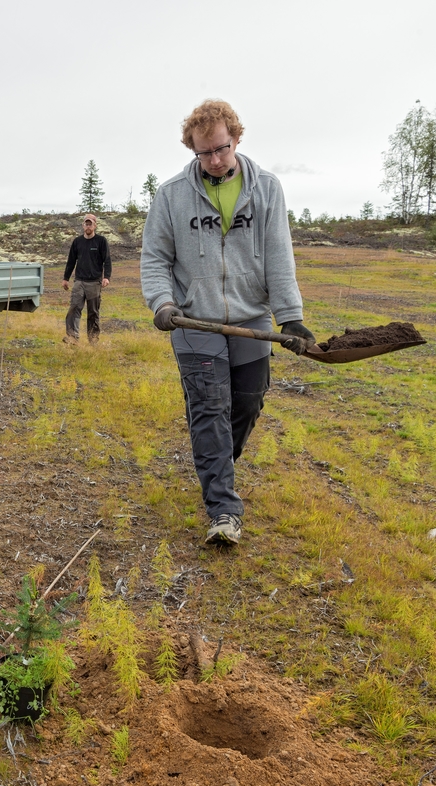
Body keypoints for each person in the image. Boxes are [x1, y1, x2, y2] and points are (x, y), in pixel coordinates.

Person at [140, 99, 314, 546]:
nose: (214, 160)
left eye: (221, 148)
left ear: (236, 138)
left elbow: (278, 256)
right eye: (204, 153)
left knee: (247, 404)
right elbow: (155, 258)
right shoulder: (171, 196)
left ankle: (217, 463)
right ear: (192, 150)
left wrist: (290, 317)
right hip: (194, 323)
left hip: (251, 318)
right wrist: (162, 303)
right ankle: (223, 509)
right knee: (210, 410)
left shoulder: (267, 189)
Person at [62, 213, 111, 344]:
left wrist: (106, 277)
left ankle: (93, 339)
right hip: (79, 281)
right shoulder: (77, 242)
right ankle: (72, 337)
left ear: (95, 226)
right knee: (74, 308)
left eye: (90, 224)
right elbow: (71, 261)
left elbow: (107, 260)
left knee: (93, 312)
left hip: (94, 282)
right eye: (86, 223)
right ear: (83, 225)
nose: (88, 226)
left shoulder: (101, 241)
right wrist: (66, 278)